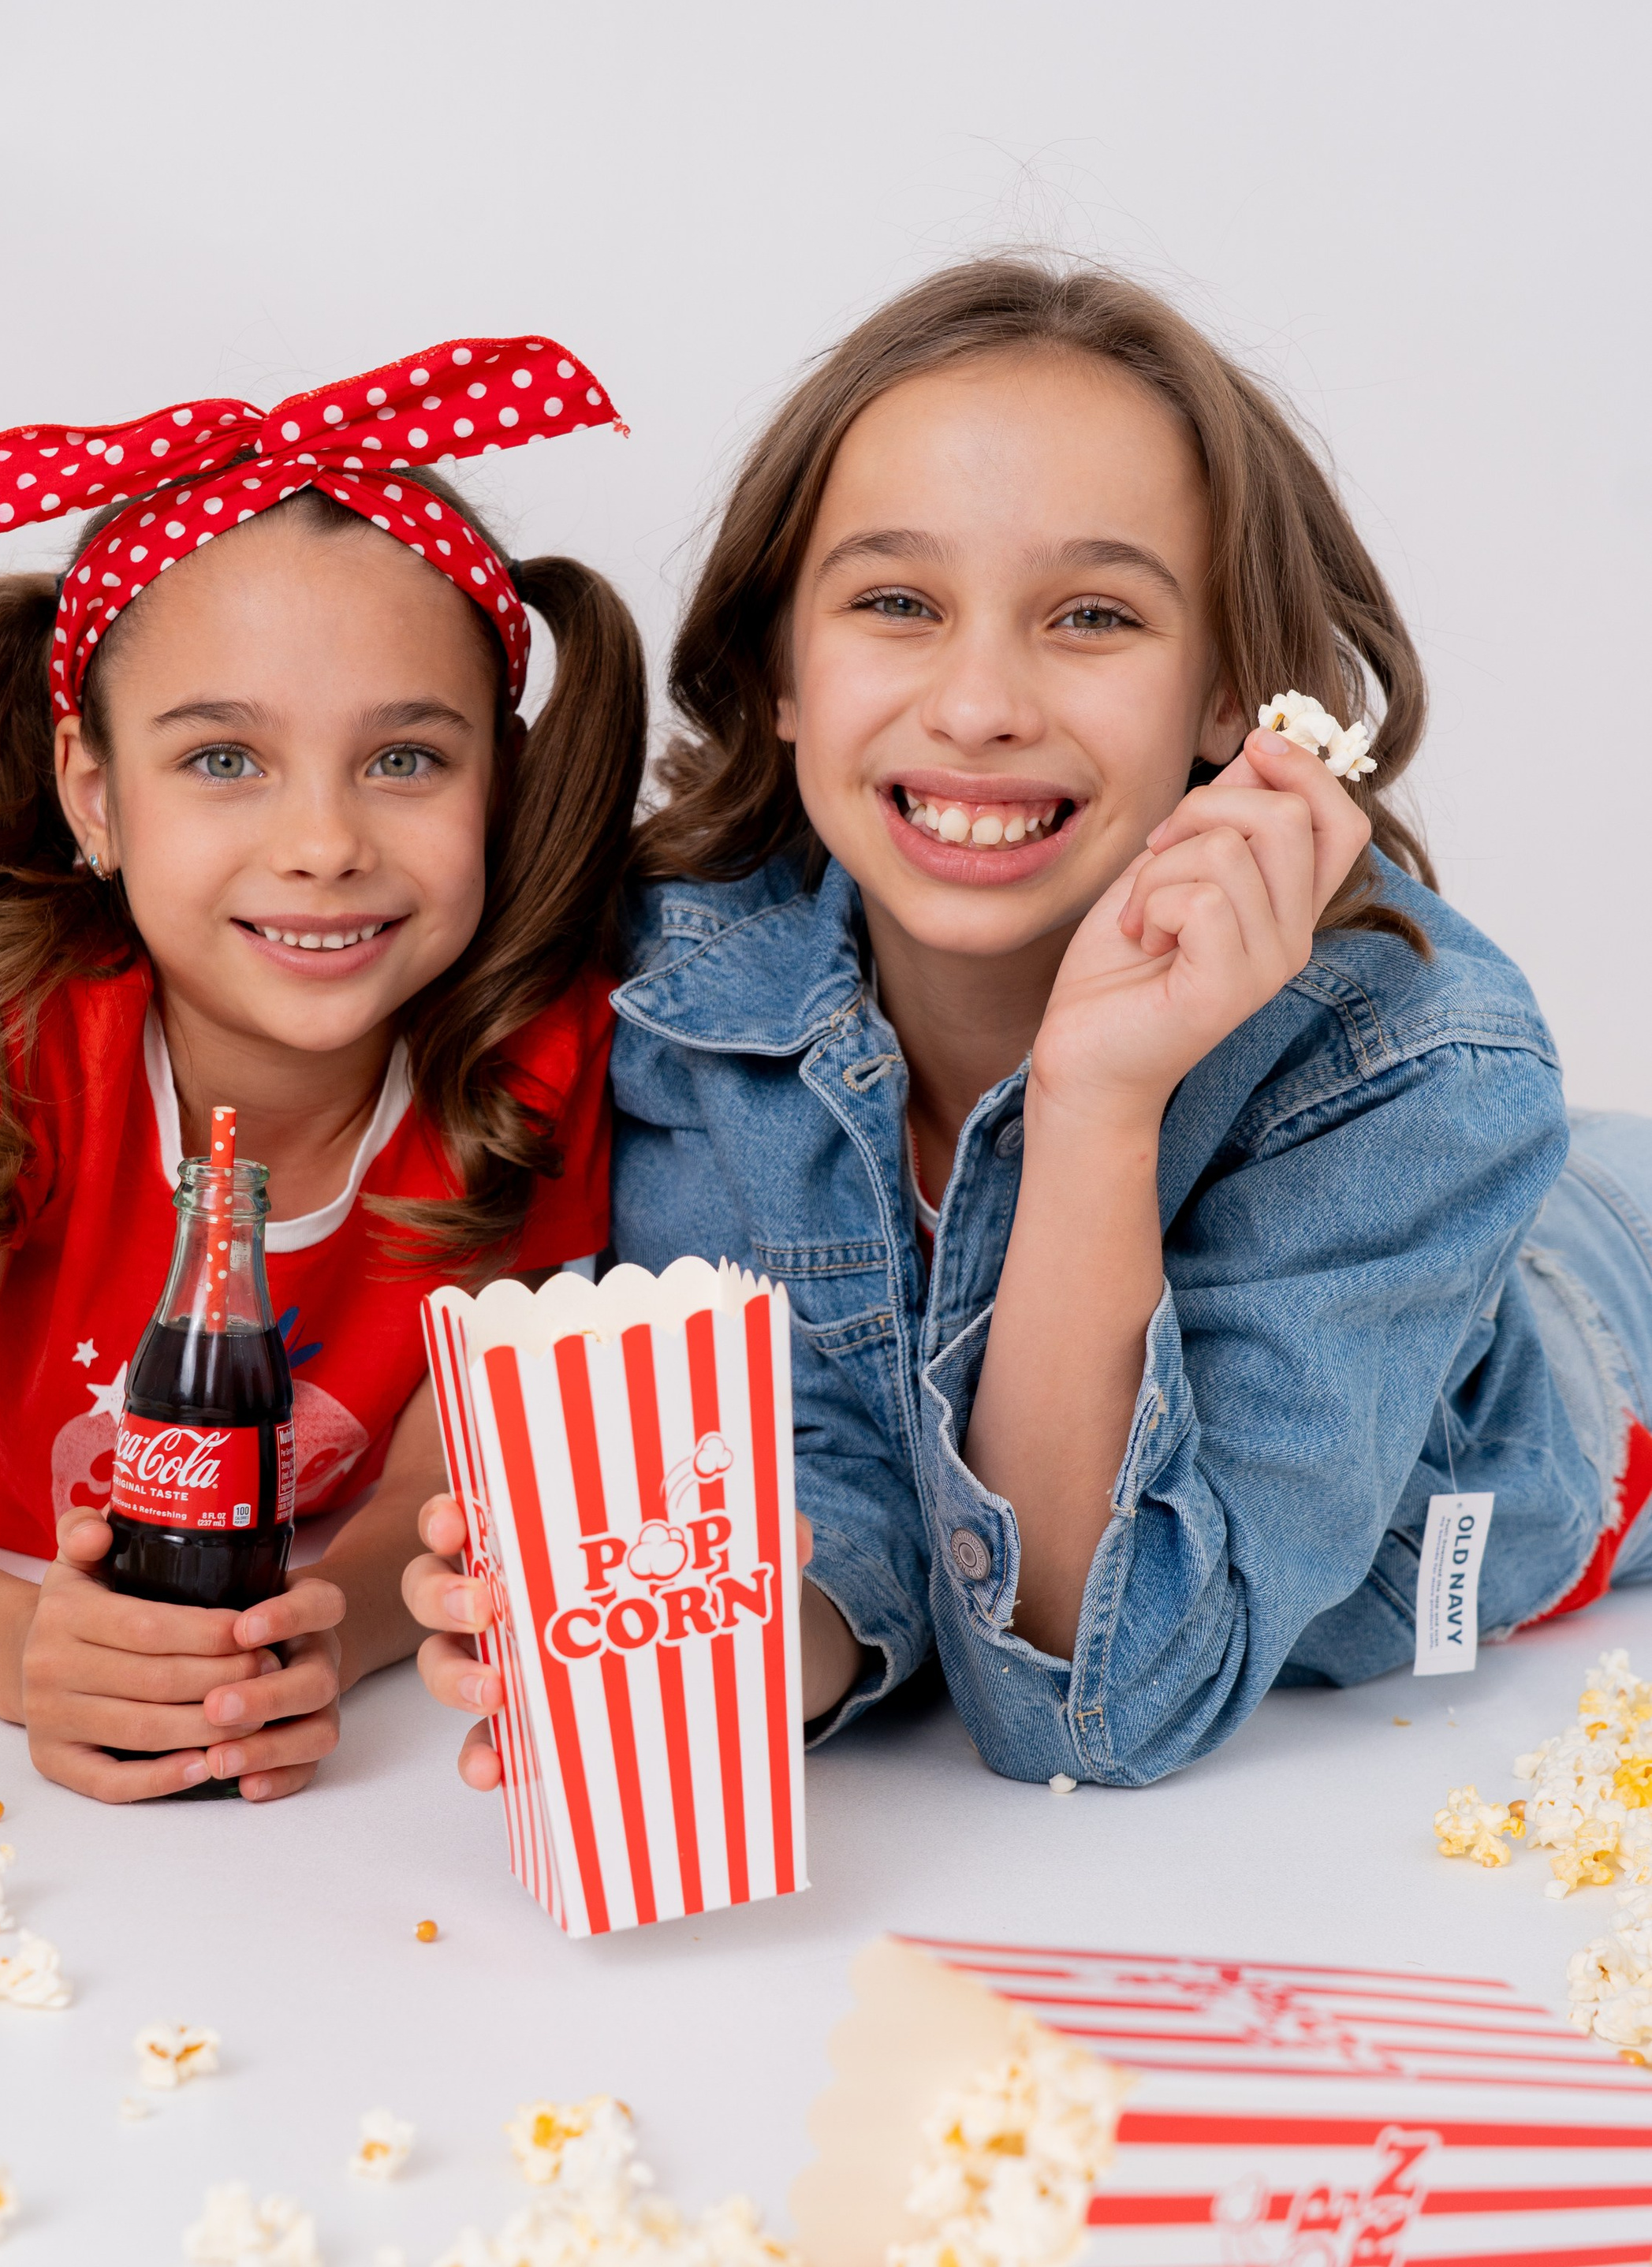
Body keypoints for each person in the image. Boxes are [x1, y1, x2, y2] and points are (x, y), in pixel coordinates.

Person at [408, 259, 1651, 1791]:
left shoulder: (1417, 1072)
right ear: (778, 668)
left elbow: (1092, 1701)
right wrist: (733, 1647)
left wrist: (1093, 1103)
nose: (978, 704)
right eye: (895, 603)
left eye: (1092, 615)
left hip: (1595, 1325)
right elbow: (839, 1478)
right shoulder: (690, 992)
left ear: (1227, 698)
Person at [0, 340, 644, 1803]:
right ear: (97, 794)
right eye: (225, 759)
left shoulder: (530, 1062)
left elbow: (439, 1480)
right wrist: (19, 1647)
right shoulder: (10, 1046)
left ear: (502, 782)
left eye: (406, 761)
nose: (324, 844)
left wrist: (324, 1634)